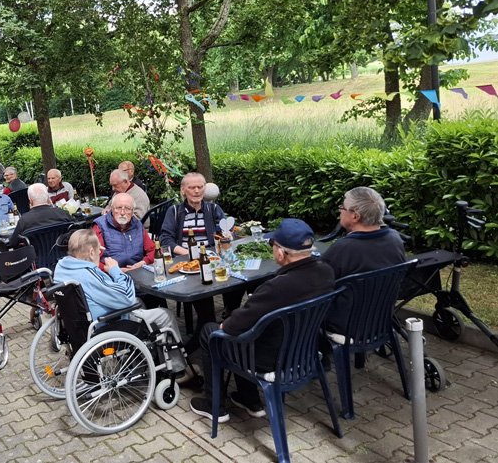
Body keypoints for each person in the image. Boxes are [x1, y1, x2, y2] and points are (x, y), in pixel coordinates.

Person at [186, 218, 335, 422]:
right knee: (245, 327)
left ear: (281, 253)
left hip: (272, 359)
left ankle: (215, 406)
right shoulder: (326, 272)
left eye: (272, 245)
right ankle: (250, 400)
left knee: (211, 332)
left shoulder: (277, 287)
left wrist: (226, 324)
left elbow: (233, 327)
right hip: (306, 350)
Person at [54, 229, 185, 367]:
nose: (101, 252)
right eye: (98, 249)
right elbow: (126, 298)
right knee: (165, 314)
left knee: (139, 302)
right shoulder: (89, 275)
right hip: (105, 325)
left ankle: (140, 361)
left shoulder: (62, 267)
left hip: (79, 325)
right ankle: (178, 368)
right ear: (92, 252)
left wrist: (95, 250)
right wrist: (114, 270)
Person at [322, 186, 406, 334]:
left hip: (345, 326)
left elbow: (317, 284)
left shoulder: (344, 248)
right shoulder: (394, 238)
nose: (340, 210)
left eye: (342, 207)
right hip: (381, 318)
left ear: (355, 216)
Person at [159, 172, 234, 323]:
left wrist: (228, 236)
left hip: (213, 260)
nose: (197, 191)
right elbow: (166, 240)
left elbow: (225, 231)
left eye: (200, 187)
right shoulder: (174, 212)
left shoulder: (213, 209)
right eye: (192, 187)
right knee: (202, 292)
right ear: (183, 190)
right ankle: (207, 327)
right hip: (188, 264)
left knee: (237, 283)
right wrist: (188, 254)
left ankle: (232, 315)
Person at [93, 193, 153, 273]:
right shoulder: (100, 226)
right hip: (109, 275)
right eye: (118, 208)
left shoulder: (137, 224)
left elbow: (152, 249)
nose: (122, 212)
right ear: (112, 209)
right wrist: (112, 270)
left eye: (127, 208)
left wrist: (143, 262)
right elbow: (92, 258)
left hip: (137, 271)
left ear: (132, 212)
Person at [6, 183, 73, 247]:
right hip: (62, 255)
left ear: (30, 201)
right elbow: (75, 229)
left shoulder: (24, 220)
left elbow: (12, 243)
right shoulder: (63, 213)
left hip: (37, 258)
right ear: (48, 198)